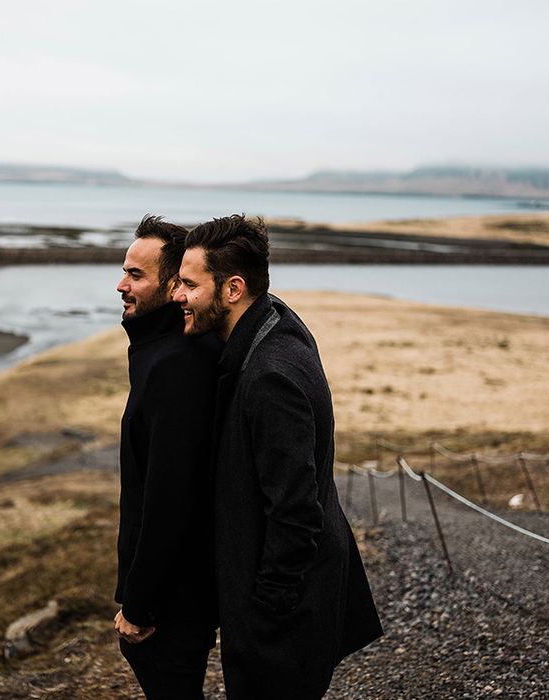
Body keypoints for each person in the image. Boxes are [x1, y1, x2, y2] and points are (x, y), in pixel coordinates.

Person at [173, 215, 383, 700]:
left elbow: (294, 511)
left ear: (232, 289)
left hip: (284, 619)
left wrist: (264, 611)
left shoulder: (269, 377)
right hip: (286, 609)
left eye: (188, 284)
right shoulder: (272, 322)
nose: (177, 295)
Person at [113, 215, 219, 700]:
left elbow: (171, 499)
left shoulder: (177, 363)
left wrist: (140, 605)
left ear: (174, 284)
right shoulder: (158, 351)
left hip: (173, 600)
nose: (121, 285)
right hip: (169, 594)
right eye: (124, 271)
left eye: (136, 275)